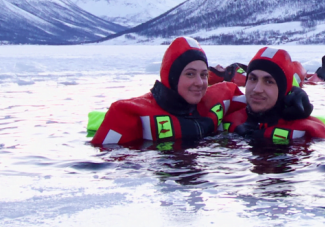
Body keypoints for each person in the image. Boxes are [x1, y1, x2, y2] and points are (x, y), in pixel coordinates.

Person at [91, 37, 244, 146]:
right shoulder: (129, 113)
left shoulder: (217, 99)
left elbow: (255, 103)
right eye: (190, 74)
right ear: (172, 77)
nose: (199, 83)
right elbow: (107, 165)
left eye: (204, 75)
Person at [223, 47, 325, 143]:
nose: (257, 89)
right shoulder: (227, 116)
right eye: (253, 79)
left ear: (283, 90)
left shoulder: (304, 131)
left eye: (269, 82)